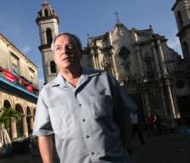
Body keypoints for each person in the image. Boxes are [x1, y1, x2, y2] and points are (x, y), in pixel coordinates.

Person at [33, 32, 137, 163]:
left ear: (80, 53)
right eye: (58, 48)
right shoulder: (46, 93)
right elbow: (43, 135)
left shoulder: (105, 79)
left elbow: (124, 115)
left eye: (70, 47)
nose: (64, 51)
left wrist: (127, 148)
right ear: (54, 56)